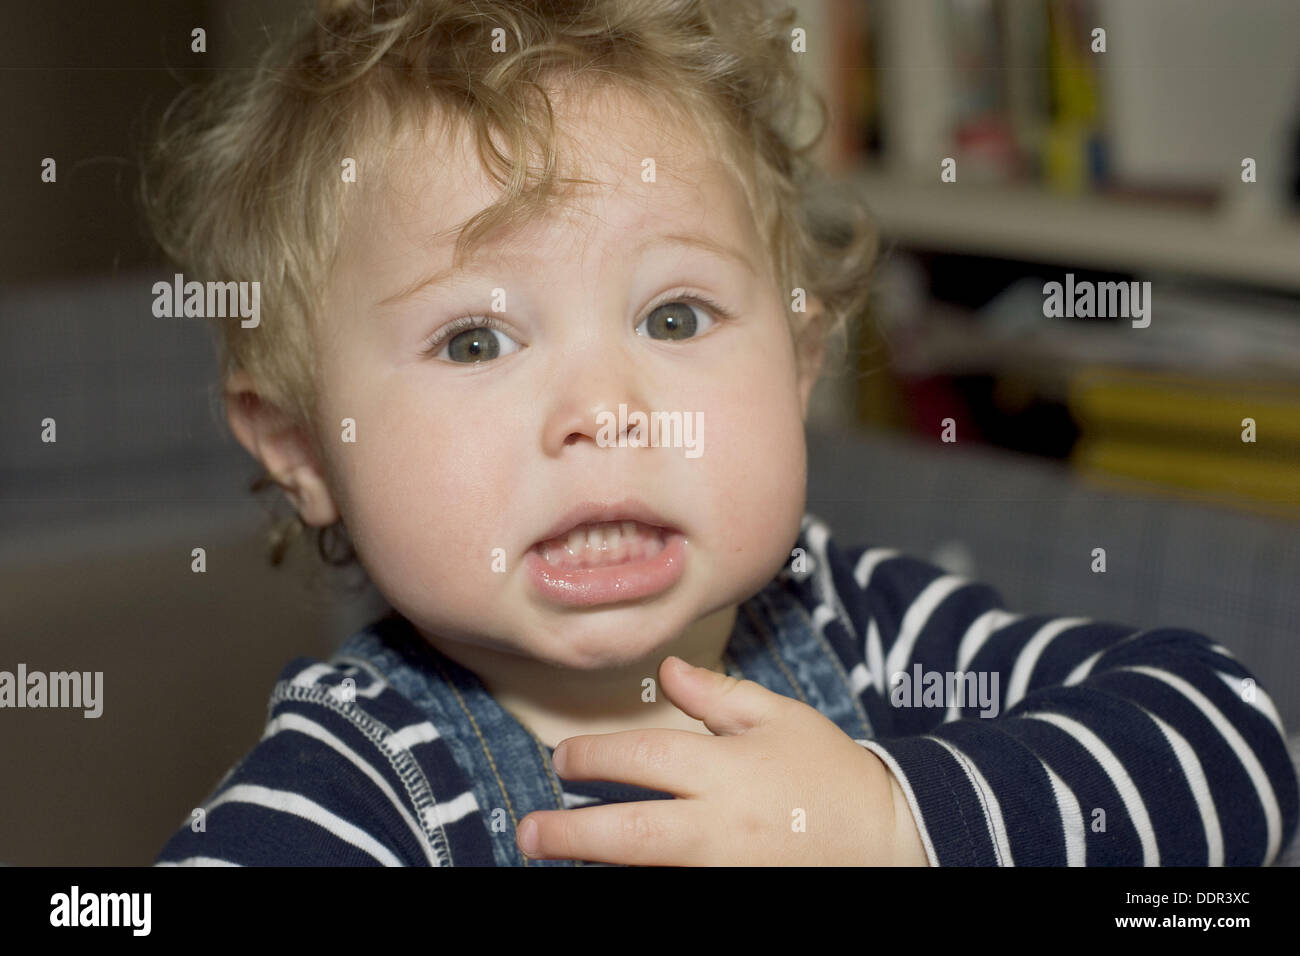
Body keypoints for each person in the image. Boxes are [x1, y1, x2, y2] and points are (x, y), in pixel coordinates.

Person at [144, 0, 1298, 866]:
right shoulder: (355, 786)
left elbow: (1236, 742)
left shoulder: (877, 633)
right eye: (475, 341)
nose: (603, 410)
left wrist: (892, 817)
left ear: (798, 363)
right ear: (300, 446)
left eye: (674, 315)